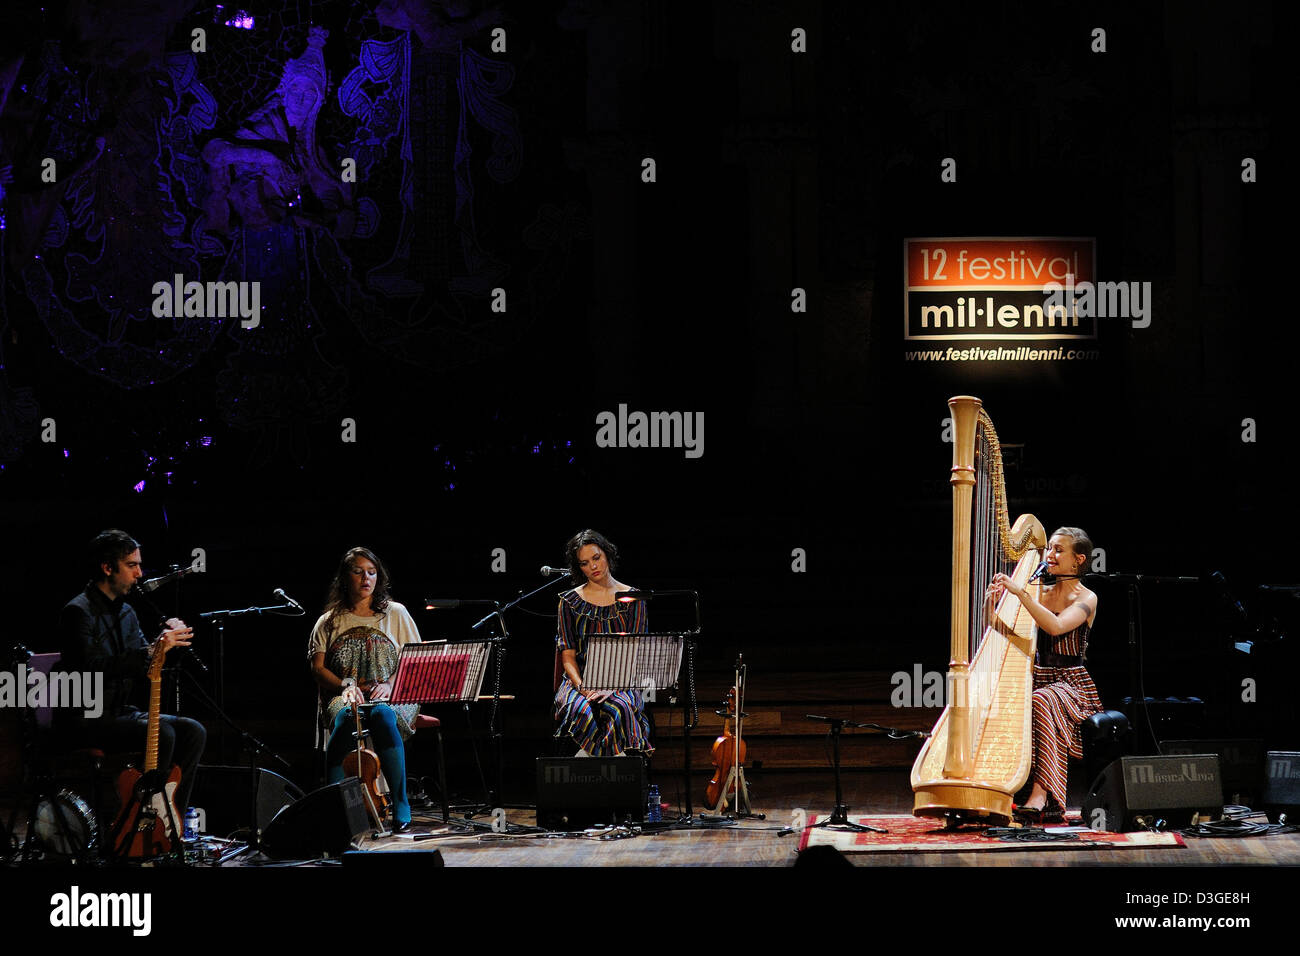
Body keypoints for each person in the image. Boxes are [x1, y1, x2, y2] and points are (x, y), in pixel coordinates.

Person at [56, 529, 207, 817]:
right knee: (162, 733)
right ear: (107, 567)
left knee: (193, 731)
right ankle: (139, 819)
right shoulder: (77, 612)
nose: (139, 573)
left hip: (120, 712)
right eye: (131, 565)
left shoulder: (126, 612)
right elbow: (89, 670)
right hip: (86, 716)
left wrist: (167, 644)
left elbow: (144, 664)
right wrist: (152, 649)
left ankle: (169, 818)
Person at [988, 526, 1103, 822]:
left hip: (1071, 684)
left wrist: (1020, 593)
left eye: (1058, 550)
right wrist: (992, 605)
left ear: (1078, 559)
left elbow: (1056, 626)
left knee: (1042, 701)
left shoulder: (1087, 598)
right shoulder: (1040, 592)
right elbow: (1009, 633)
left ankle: (1041, 796)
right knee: (1011, 701)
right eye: (1049, 548)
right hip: (1039, 677)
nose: (1049, 555)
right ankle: (1002, 789)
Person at [308, 546, 422, 831]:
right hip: (344, 694)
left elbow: (415, 659)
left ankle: (401, 804)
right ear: (345, 578)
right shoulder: (329, 620)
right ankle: (334, 808)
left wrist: (391, 684)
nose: (365, 578)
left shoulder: (395, 613)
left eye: (371, 572)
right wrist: (345, 685)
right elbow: (318, 669)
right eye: (358, 572)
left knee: (382, 714)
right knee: (348, 716)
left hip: (394, 693)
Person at [553, 529, 652, 756]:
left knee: (619, 706)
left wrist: (612, 687)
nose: (593, 566)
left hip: (623, 680)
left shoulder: (633, 598)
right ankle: (608, 762)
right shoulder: (569, 602)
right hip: (579, 681)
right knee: (582, 709)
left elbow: (635, 653)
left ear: (607, 554)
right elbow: (567, 655)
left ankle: (597, 762)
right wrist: (584, 687)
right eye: (584, 563)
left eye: (596, 558)